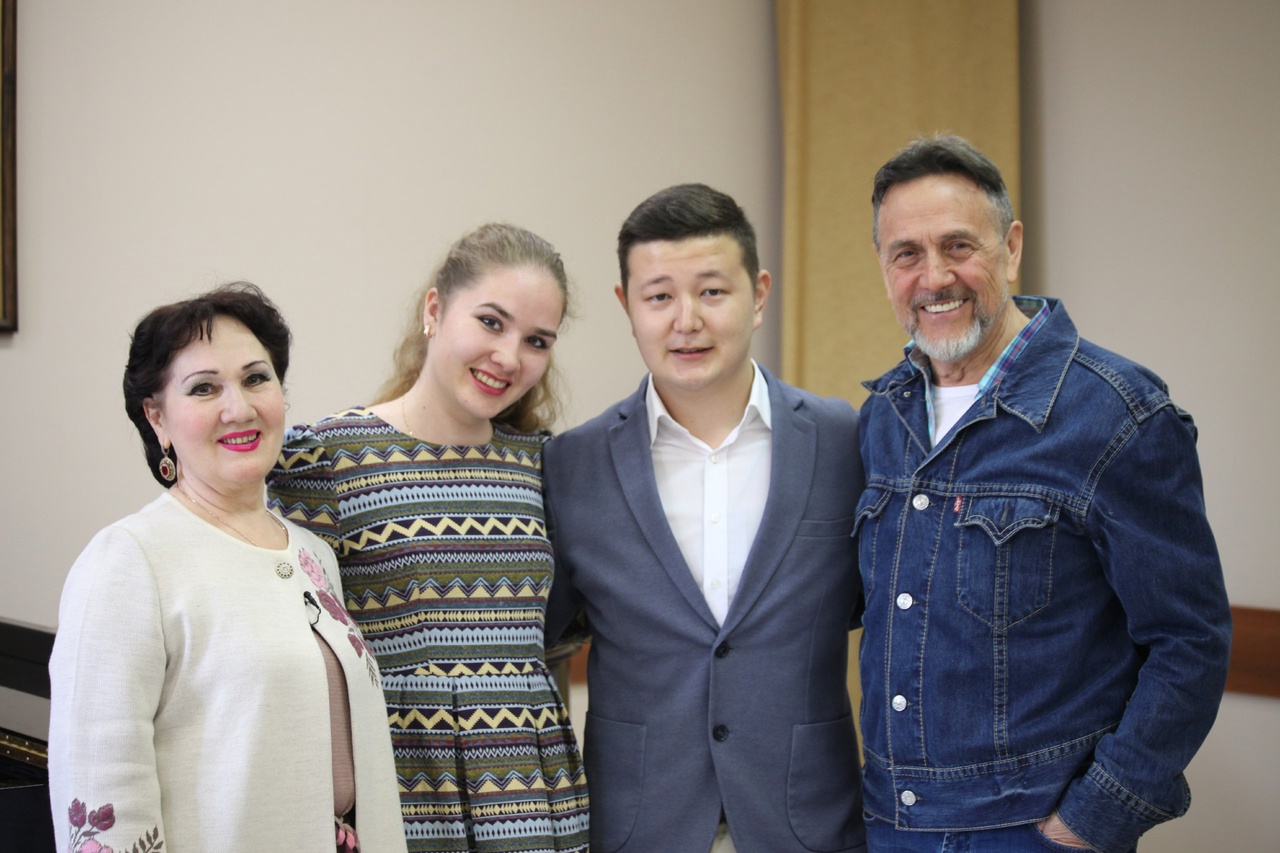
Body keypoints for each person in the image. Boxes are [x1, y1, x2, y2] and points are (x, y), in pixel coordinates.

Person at [855, 135, 1231, 853]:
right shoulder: (883, 416)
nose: (934, 277)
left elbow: (1191, 642)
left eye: (958, 246)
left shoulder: (1118, 414)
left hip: (1031, 832)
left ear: (1011, 247)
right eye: (906, 253)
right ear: (883, 265)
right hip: (889, 825)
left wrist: (1093, 820)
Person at [543, 184, 866, 853]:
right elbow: (541, 639)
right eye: (659, 296)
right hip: (640, 828)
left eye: (712, 291)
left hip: (809, 824)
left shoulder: (844, 441)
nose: (685, 320)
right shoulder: (572, 464)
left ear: (759, 294)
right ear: (627, 306)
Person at [47, 283, 407, 853]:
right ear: (157, 417)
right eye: (204, 388)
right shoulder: (128, 559)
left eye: (256, 379)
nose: (239, 408)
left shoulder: (312, 554)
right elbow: (101, 779)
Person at [266, 223, 589, 853]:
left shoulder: (542, 465)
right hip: (403, 794)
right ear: (435, 310)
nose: (509, 357)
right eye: (491, 322)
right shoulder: (326, 460)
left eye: (536, 340)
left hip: (536, 798)